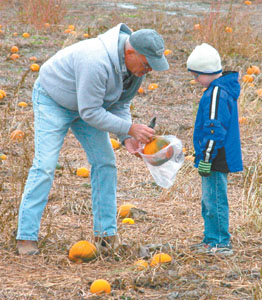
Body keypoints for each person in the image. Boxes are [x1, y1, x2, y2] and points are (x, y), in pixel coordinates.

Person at [16, 23, 169, 255]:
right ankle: (26, 238)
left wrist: (126, 135)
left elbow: (121, 103)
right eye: (147, 64)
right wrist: (130, 127)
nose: (148, 71)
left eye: (152, 67)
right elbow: (90, 113)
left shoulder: (135, 68)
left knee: (105, 163)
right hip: (54, 100)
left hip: (89, 106)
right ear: (130, 53)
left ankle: (106, 236)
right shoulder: (95, 60)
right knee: (45, 166)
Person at [186, 43, 243, 256]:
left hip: (217, 156)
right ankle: (210, 239)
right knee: (209, 199)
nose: (195, 80)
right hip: (214, 154)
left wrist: (207, 157)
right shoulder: (216, 89)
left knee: (215, 200)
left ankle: (220, 242)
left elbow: (214, 128)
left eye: (196, 75)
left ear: (207, 72)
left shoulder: (216, 93)